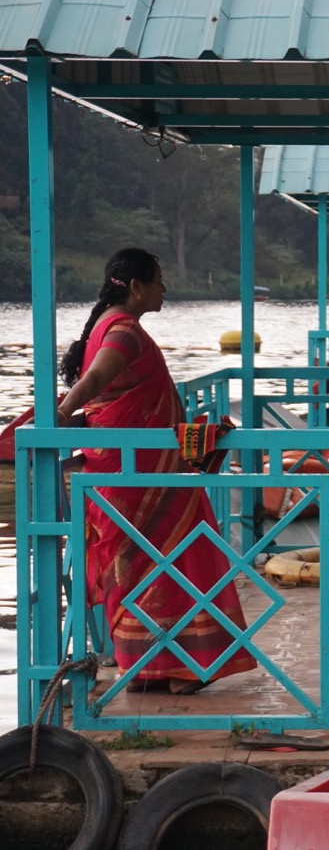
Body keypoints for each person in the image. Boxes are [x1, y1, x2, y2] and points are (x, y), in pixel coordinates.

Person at [55, 248, 256, 694]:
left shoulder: (107, 324)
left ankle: (145, 666)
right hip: (140, 469)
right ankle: (184, 667)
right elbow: (95, 381)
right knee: (178, 557)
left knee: (139, 564)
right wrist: (61, 413)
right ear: (137, 287)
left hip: (123, 465)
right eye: (159, 281)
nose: (165, 289)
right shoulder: (123, 329)